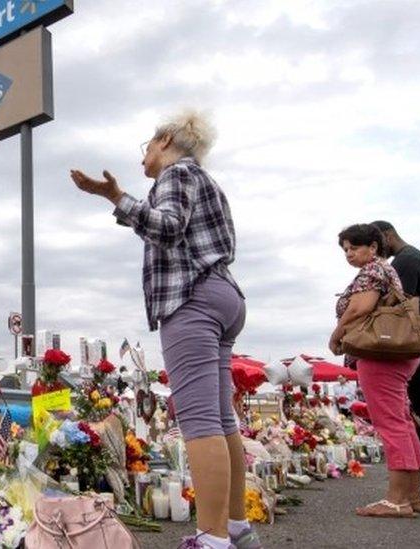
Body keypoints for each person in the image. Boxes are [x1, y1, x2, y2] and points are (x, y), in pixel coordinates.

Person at [70, 110, 257, 549]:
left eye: (148, 147)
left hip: (191, 298)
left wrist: (117, 198)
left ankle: (211, 540)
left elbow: (169, 229)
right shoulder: (205, 181)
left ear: (167, 139)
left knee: (199, 421)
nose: (144, 159)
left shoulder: (175, 176)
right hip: (224, 294)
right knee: (221, 418)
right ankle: (235, 529)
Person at [330, 223, 420, 517]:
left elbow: (361, 307)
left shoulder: (372, 271)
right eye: (345, 248)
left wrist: (337, 334)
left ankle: (396, 500)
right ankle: (413, 495)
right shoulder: (386, 270)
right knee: (403, 422)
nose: (349, 253)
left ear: (373, 247)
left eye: (355, 247)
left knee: (390, 423)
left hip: (380, 353)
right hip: (400, 354)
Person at [369, 220, 420, 463]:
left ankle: (411, 486)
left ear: (388, 236)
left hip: (412, 340)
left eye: (377, 243)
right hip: (417, 339)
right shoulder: (412, 257)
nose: (377, 250)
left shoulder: (406, 260)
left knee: (413, 410)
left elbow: (397, 302)